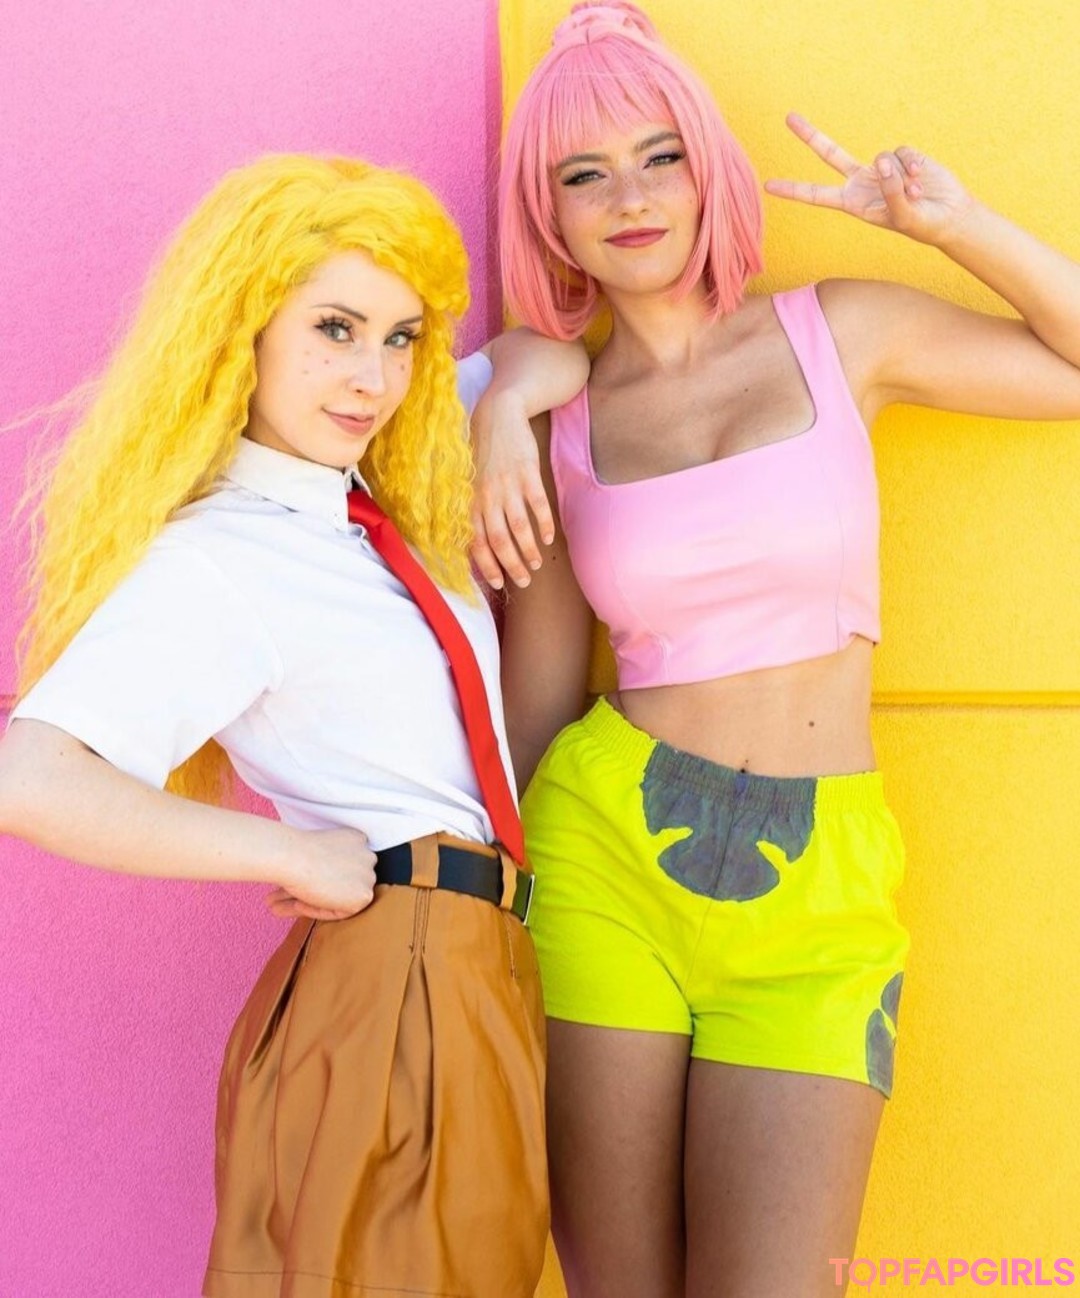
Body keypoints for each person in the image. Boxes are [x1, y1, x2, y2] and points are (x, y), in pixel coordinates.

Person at [474, 4, 1080, 1295]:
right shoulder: (553, 419)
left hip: (823, 881)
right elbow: (537, 704)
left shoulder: (839, 333)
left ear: (708, 168)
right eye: (585, 174)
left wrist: (953, 227)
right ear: (548, 212)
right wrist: (476, 917)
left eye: (660, 156)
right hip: (602, 860)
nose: (631, 198)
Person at [0, 153, 588, 1298]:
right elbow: (30, 776)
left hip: (476, 969)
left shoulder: (366, 497)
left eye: (401, 337)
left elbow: (552, 353)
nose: (372, 376)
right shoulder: (223, 554)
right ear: (246, 330)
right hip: (399, 973)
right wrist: (285, 851)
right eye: (334, 329)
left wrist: (507, 411)